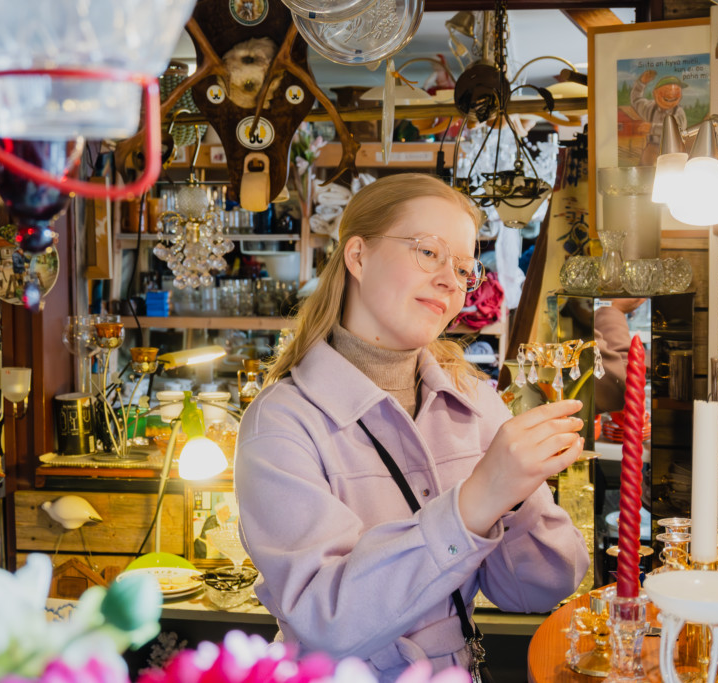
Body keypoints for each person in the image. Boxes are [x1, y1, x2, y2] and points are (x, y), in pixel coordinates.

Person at [235, 174, 590, 682]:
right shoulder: (283, 422)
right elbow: (325, 620)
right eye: (429, 252)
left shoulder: (473, 400)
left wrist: (515, 496)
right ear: (357, 257)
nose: (452, 280)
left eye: (465, 267)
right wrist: (475, 501)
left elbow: (536, 591)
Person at [631, 70, 688, 166]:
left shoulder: (679, 112)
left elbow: (678, 129)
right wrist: (641, 83)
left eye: (676, 92)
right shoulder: (649, 108)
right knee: (645, 172)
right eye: (667, 91)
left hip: (673, 150)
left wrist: (652, 128)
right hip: (652, 148)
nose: (671, 95)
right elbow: (636, 100)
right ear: (655, 93)